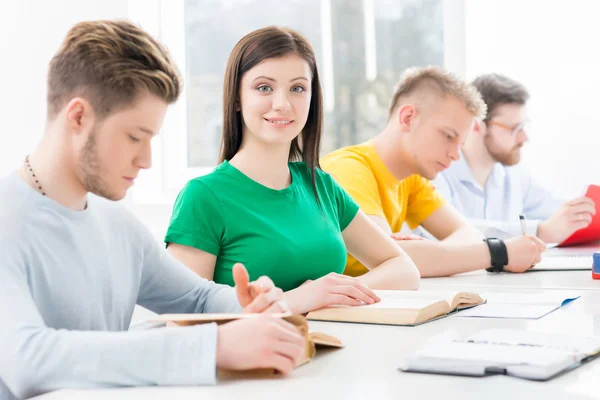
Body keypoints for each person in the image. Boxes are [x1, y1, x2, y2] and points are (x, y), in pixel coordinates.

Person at [0, 20, 306, 400]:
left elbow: (197, 299)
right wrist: (214, 347)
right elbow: (26, 360)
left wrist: (250, 302)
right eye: (134, 137)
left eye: (151, 139)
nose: (145, 160)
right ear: (78, 117)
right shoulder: (6, 222)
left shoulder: (118, 226)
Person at [165, 26, 420, 315]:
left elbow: (404, 269)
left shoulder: (320, 185)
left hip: (339, 348)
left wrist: (335, 294)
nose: (282, 104)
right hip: (256, 357)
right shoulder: (203, 197)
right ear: (237, 98)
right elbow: (181, 318)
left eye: (297, 88)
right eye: (264, 88)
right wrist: (301, 299)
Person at [321, 67, 546, 278]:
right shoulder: (348, 169)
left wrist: (428, 254)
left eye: (461, 143)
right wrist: (500, 253)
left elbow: (468, 234)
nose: (456, 155)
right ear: (408, 118)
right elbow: (390, 260)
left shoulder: (411, 179)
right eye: (448, 136)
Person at [432, 73, 596, 243]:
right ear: (476, 125)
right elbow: (451, 230)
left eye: (524, 126)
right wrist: (540, 231)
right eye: (514, 128)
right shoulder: (437, 173)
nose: (524, 137)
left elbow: (556, 207)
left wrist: (584, 210)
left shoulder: (514, 176)